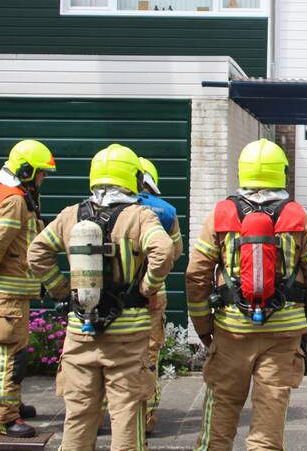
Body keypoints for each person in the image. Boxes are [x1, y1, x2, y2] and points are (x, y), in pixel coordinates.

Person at [28, 143, 173, 450]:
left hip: (80, 332)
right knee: (125, 414)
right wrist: (147, 287)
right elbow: (164, 251)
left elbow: (36, 253)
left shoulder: (70, 215)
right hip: (127, 335)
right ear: (132, 177)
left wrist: (61, 291)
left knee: (78, 416)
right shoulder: (139, 217)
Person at [186, 138, 307, 451]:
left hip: (231, 331)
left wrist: (204, 328)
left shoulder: (221, 215)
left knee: (220, 412)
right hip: (283, 334)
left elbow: (196, 275)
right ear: (282, 173)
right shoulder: (300, 218)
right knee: (268, 425)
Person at [0, 140, 55, 438]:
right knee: (9, 354)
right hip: (7, 292)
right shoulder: (15, 200)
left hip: (14, 291)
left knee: (16, 351)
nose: (42, 179)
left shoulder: (18, 195)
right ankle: (4, 419)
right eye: (41, 173)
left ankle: (14, 404)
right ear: (26, 170)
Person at [136, 156, 182, 435]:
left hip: (111, 298)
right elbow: (173, 253)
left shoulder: (101, 210)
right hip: (152, 295)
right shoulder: (165, 212)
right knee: (149, 355)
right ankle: (147, 417)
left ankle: (109, 414)